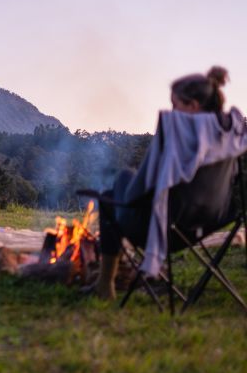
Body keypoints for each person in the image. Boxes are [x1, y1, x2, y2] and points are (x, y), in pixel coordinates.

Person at [93, 66, 234, 300]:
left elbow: (135, 194)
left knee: (117, 186)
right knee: (115, 190)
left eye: (175, 104)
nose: (172, 110)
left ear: (193, 106)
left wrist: (128, 180)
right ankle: (105, 283)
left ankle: (105, 284)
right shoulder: (229, 135)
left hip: (165, 231)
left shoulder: (176, 134)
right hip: (209, 223)